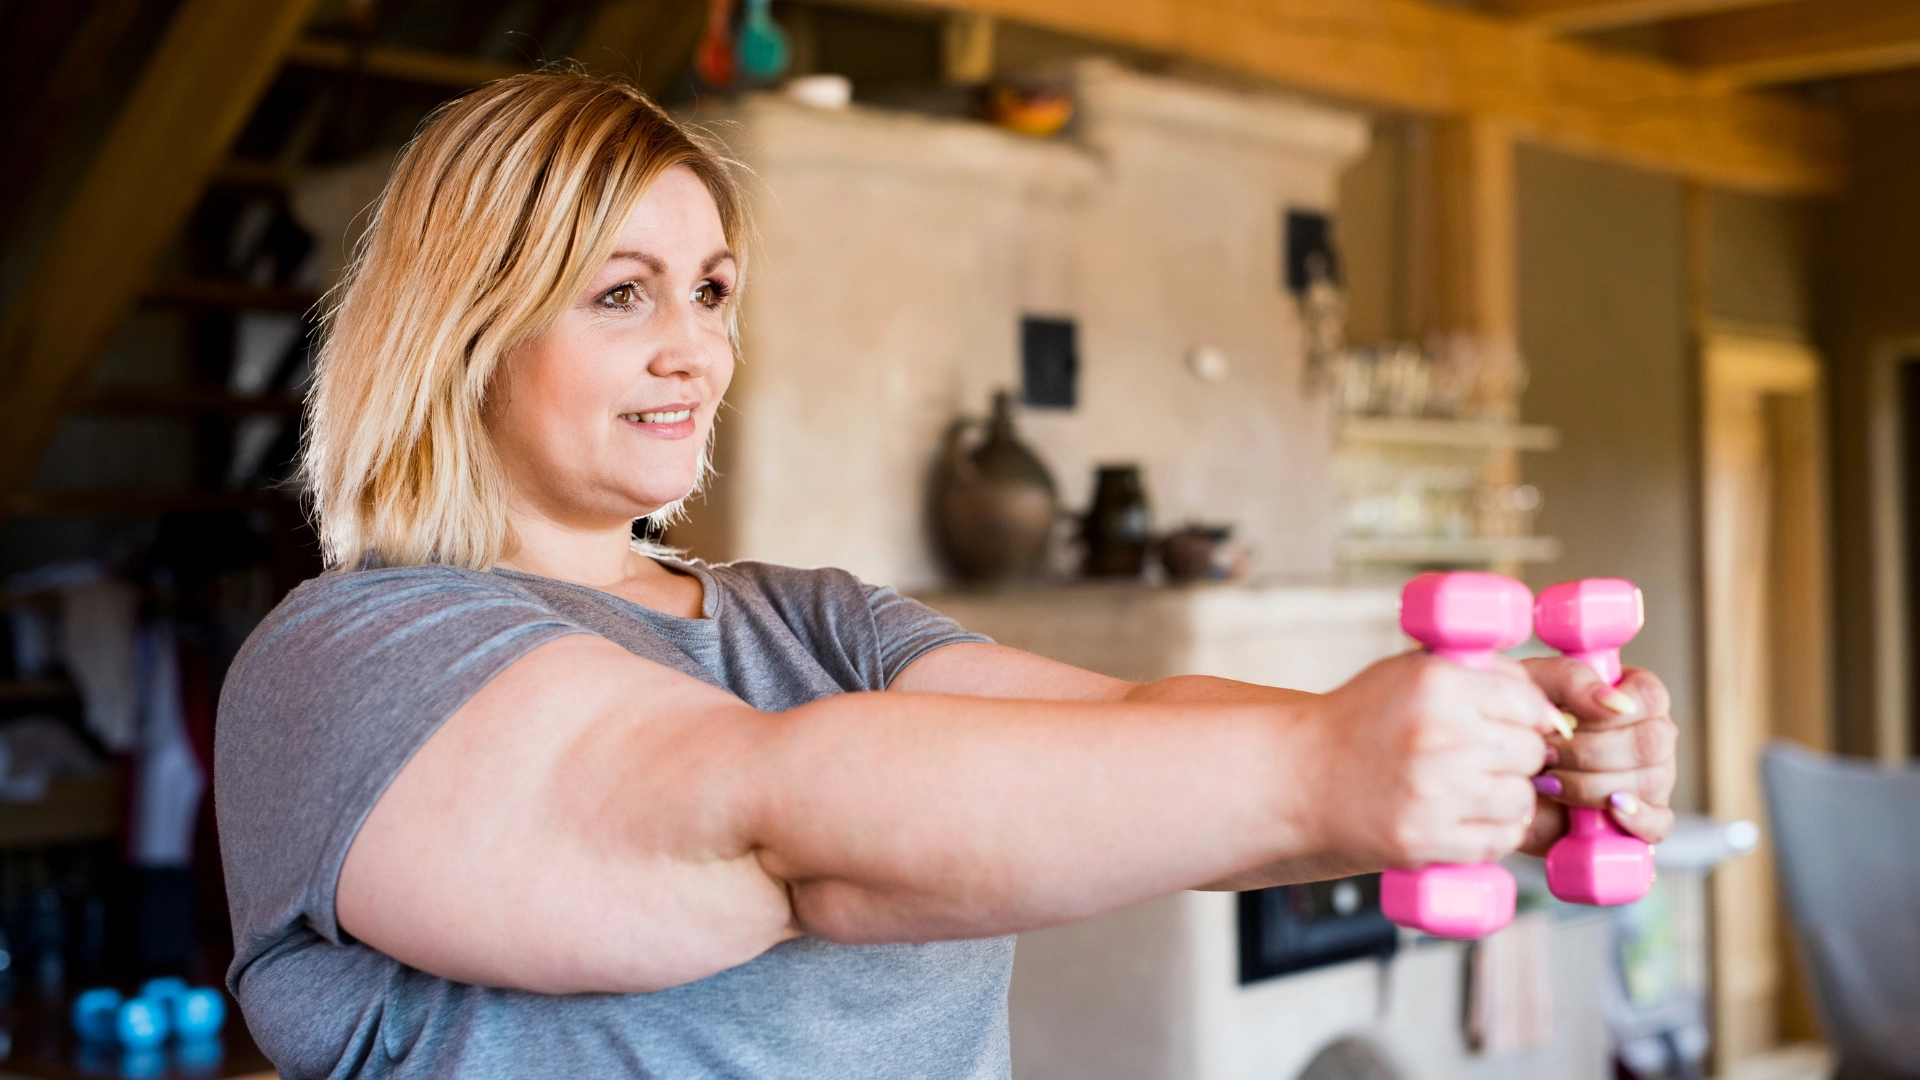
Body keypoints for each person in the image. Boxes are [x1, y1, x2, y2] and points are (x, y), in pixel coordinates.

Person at [215, 73, 1679, 1080]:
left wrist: (1505, 759)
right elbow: (767, 824)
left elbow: (1130, 742)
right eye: (621, 294)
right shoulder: (352, 657)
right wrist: (1326, 764)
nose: (695, 349)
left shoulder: (818, 620)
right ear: (463, 334)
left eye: (713, 290)